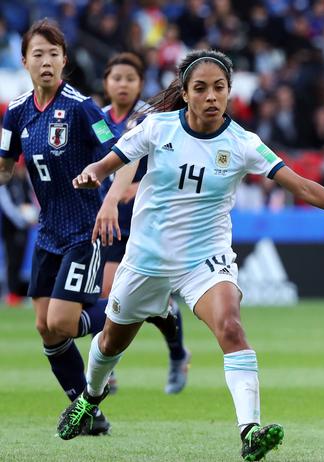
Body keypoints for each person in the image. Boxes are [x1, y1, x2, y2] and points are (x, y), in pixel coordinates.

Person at [54, 49, 324, 462]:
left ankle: (250, 431)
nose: (211, 96)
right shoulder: (157, 128)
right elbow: (111, 161)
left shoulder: (242, 143)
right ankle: (91, 398)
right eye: (200, 88)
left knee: (231, 327)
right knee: (111, 341)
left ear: (230, 91)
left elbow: (301, 185)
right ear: (184, 93)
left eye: (219, 88)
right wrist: (94, 173)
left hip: (205, 256)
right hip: (147, 257)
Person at [0, 19, 117, 434]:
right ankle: (91, 412)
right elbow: (3, 168)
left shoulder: (82, 107)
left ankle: (133, 309)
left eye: (53, 54)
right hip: (48, 232)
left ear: (65, 60)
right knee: (45, 329)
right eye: (38, 54)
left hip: (84, 230)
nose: (46, 61)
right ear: (24, 61)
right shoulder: (15, 113)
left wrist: (110, 202)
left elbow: (120, 152)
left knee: (64, 323)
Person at [96, 52, 190, 394]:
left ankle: (178, 353)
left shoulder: (154, 118)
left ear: (140, 84)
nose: (123, 84)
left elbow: (173, 163)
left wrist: (135, 186)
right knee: (109, 296)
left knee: (157, 304)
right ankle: (108, 371)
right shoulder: (96, 117)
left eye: (130, 79)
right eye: (117, 78)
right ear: (106, 82)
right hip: (109, 222)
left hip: (149, 222)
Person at [0, 162, 37, 305]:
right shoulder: (6, 181)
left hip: (24, 227)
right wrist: (21, 220)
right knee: (11, 260)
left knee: (20, 259)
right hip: (11, 228)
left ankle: (15, 292)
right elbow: (7, 205)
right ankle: (9, 293)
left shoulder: (23, 181)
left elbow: (31, 200)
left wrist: (32, 216)